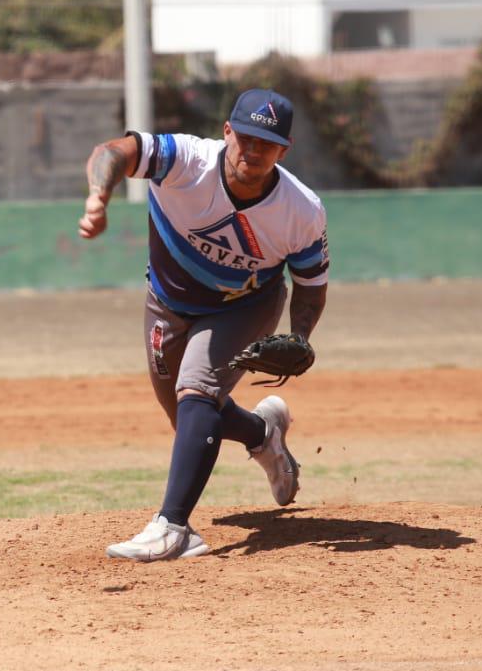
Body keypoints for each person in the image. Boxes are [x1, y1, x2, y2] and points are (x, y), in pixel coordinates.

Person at [77, 89, 329, 561]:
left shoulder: (301, 209)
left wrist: (299, 337)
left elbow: (311, 283)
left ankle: (174, 527)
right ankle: (262, 433)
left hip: (244, 305)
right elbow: (113, 152)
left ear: (284, 149)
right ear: (227, 132)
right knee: (189, 419)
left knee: (196, 391)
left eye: (267, 143)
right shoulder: (185, 161)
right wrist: (98, 196)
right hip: (167, 302)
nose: (253, 151)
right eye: (247, 138)